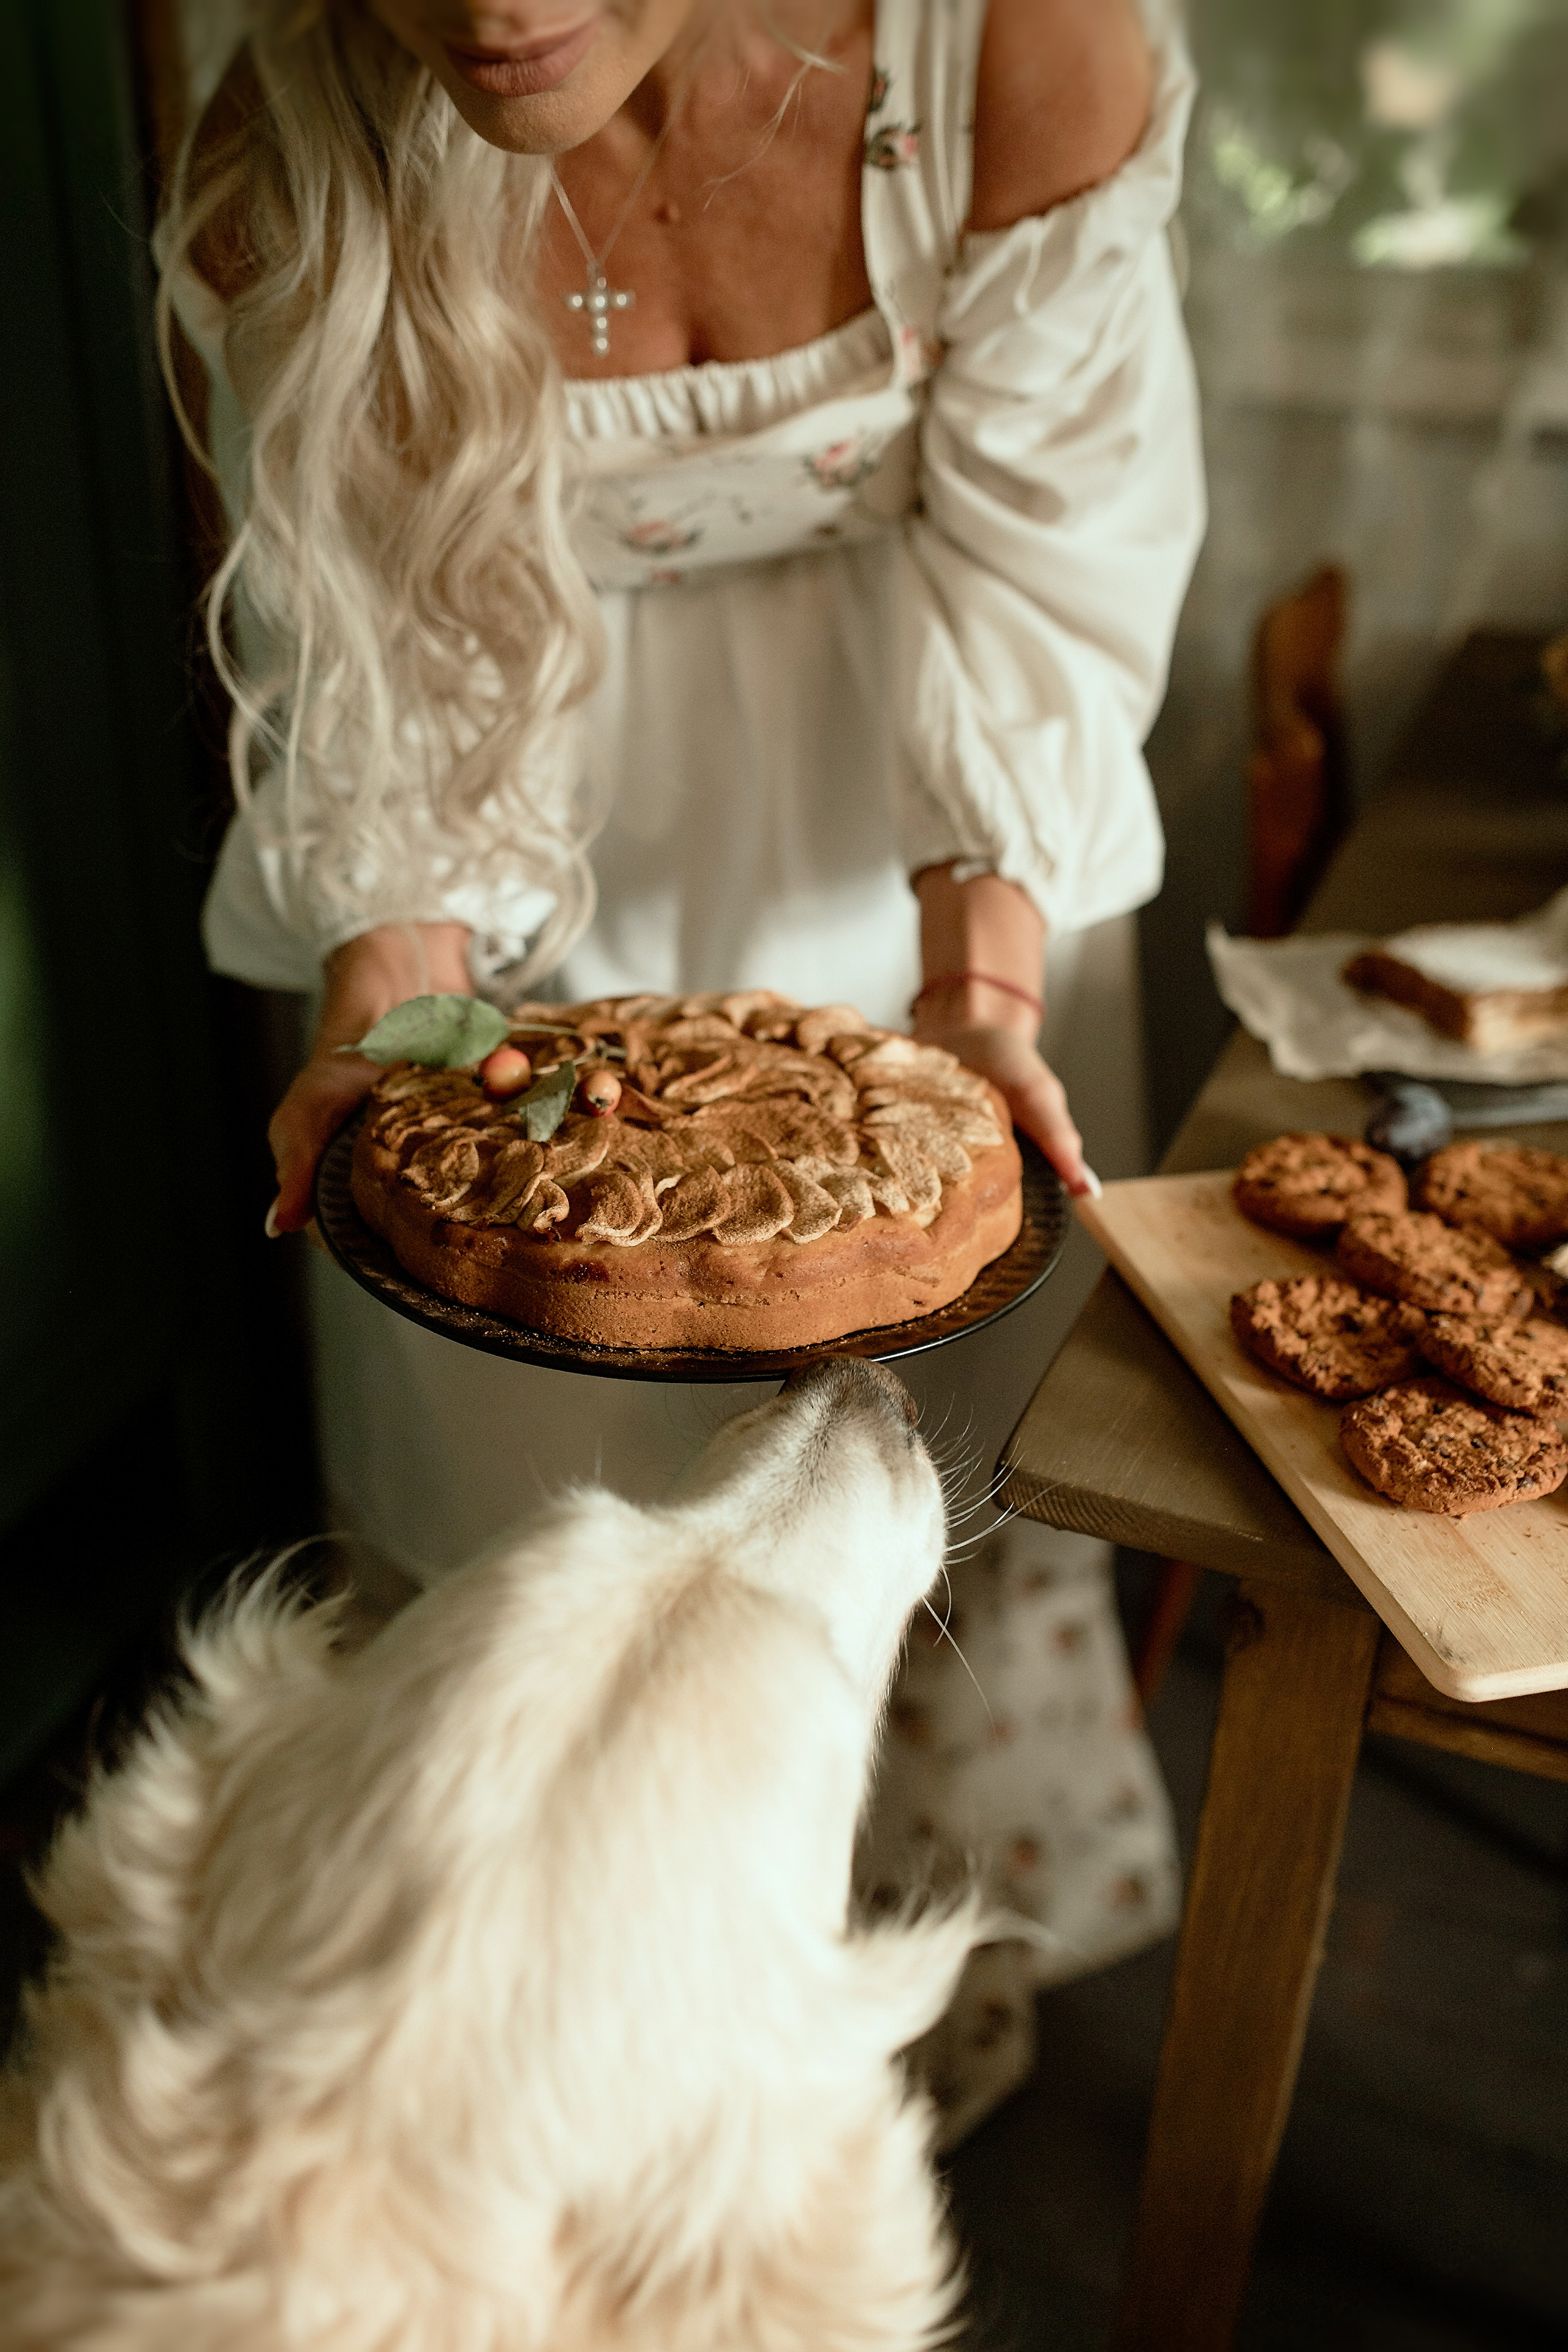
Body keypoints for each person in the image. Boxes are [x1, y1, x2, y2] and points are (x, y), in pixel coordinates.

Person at [159, 0, 1205, 2135]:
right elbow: (359, 647)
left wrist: (982, 987)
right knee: (528, 1482)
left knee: (902, 1471)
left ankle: (894, 1973)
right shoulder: (302, 126)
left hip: (913, 861)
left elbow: (1041, 577)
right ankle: (564, 2034)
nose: (487, 8)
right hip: (517, 874)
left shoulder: (1012, 44)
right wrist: (391, 997)